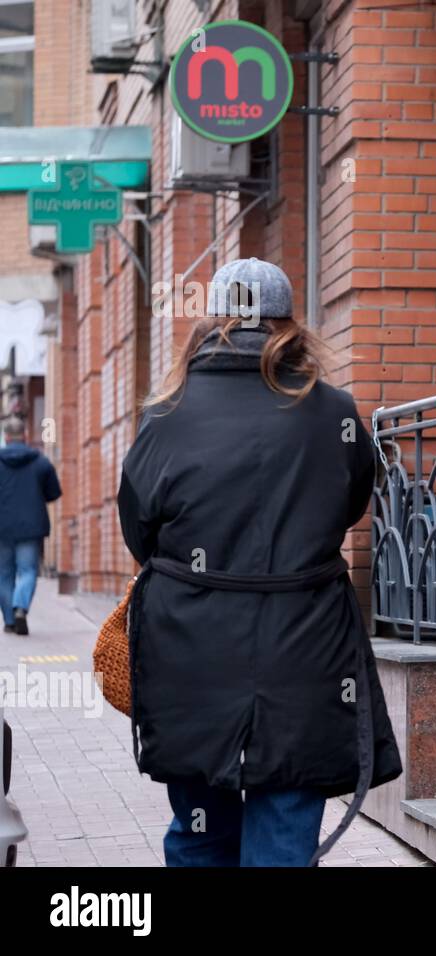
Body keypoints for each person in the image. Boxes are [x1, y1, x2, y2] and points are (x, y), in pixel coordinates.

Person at [116, 258, 401, 867]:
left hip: (190, 645)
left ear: (214, 319)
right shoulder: (335, 412)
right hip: (307, 649)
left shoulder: (164, 414)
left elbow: (139, 531)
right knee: (284, 833)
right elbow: (351, 505)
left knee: (198, 829)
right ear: (288, 325)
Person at [0, 416, 62, 636]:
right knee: (27, 570)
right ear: (24, 436)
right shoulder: (41, 462)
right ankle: (20, 607)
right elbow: (54, 492)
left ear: (6, 437)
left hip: (2, 529)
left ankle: (9, 619)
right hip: (30, 527)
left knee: (3, 574)